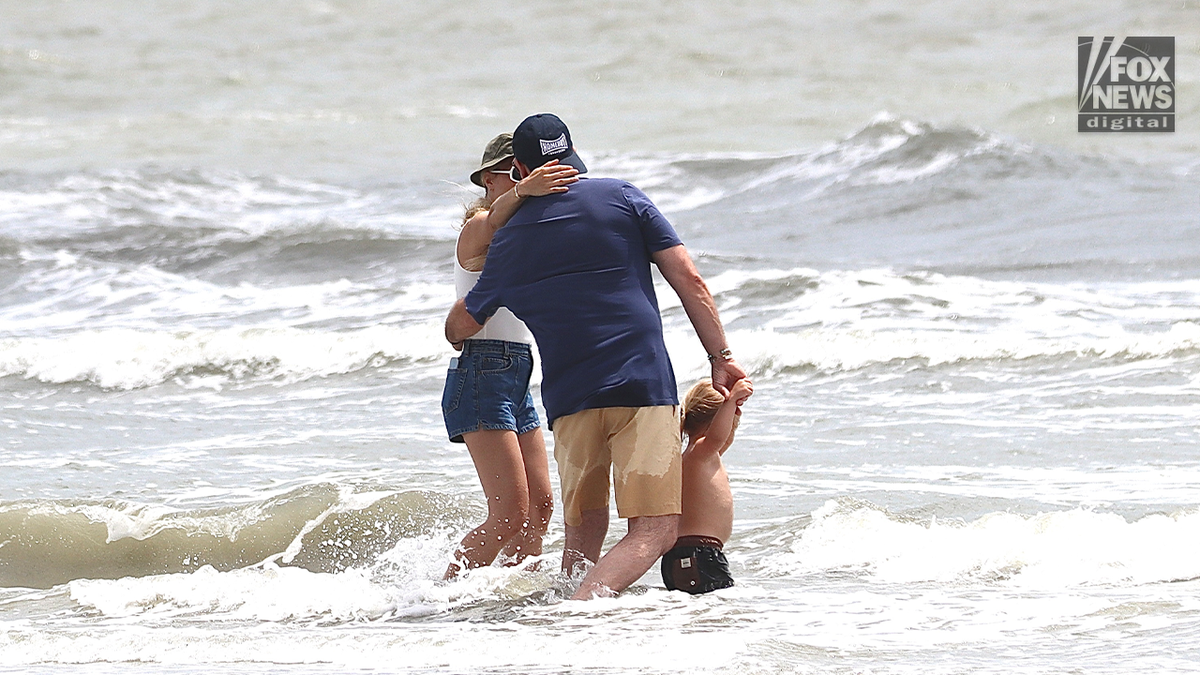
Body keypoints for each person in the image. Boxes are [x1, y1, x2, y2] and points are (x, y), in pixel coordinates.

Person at [445, 113, 747, 599]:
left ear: (520, 168)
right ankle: (578, 614)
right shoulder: (623, 197)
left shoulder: (512, 238)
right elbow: (688, 279)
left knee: (582, 531)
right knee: (654, 529)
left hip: (567, 398)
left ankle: (567, 620)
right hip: (640, 386)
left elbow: (459, 327)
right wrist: (721, 355)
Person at [442, 133, 579, 579]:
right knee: (508, 516)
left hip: (517, 374)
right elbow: (495, 219)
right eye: (516, 172)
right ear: (488, 179)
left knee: (539, 508)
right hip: (482, 373)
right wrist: (525, 191)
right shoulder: (479, 226)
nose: (528, 177)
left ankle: (515, 603)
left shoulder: (521, 234)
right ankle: (437, 597)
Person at [662, 377, 753, 595]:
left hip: (685, 557)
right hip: (699, 555)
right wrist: (730, 403)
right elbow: (718, 438)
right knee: (722, 611)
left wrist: (731, 414)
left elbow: (722, 440)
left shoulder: (695, 458)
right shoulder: (702, 450)